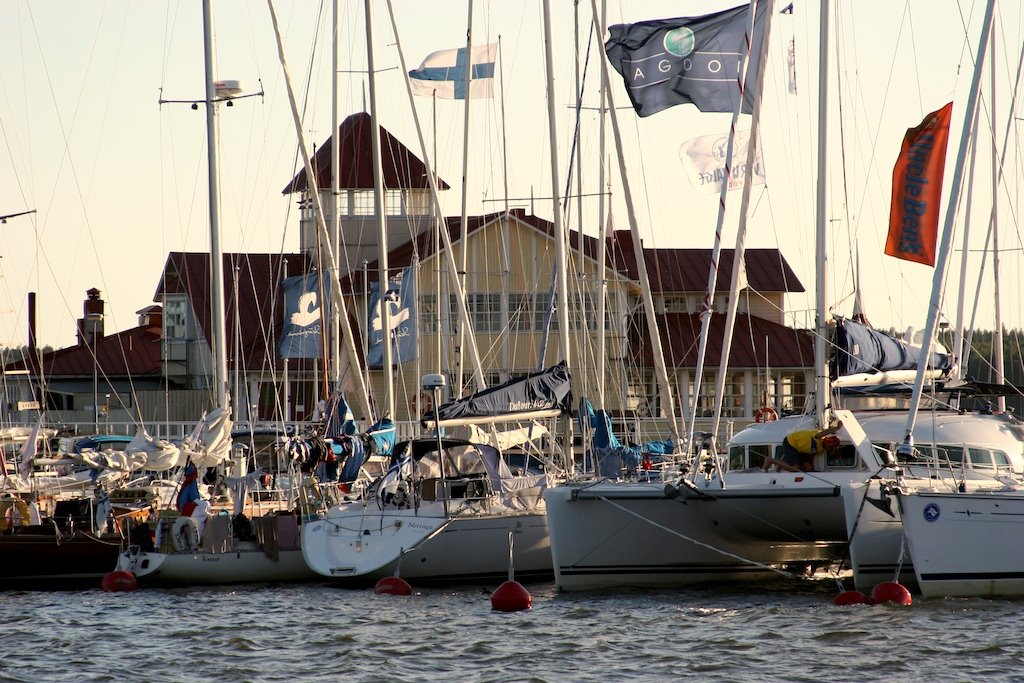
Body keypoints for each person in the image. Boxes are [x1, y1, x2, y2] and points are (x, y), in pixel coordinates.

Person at [763, 419, 843, 472]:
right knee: (795, 469)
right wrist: (837, 428)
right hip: (791, 443)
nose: (833, 450)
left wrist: (811, 468)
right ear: (829, 445)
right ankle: (770, 460)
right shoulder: (818, 438)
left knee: (809, 469)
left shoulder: (821, 449)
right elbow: (824, 432)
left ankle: (782, 465)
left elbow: (811, 455)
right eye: (833, 448)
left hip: (802, 449)